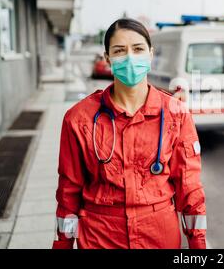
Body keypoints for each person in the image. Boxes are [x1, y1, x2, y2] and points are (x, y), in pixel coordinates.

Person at [52, 18, 207, 249]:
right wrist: (63, 245)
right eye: (119, 51)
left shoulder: (176, 114)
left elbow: (189, 187)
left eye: (138, 49)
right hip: (100, 236)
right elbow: (68, 191)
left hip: (158, 234)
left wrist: (198, 244)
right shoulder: (79, 118)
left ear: (151, 54)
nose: (130, 58)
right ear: (107, 58)